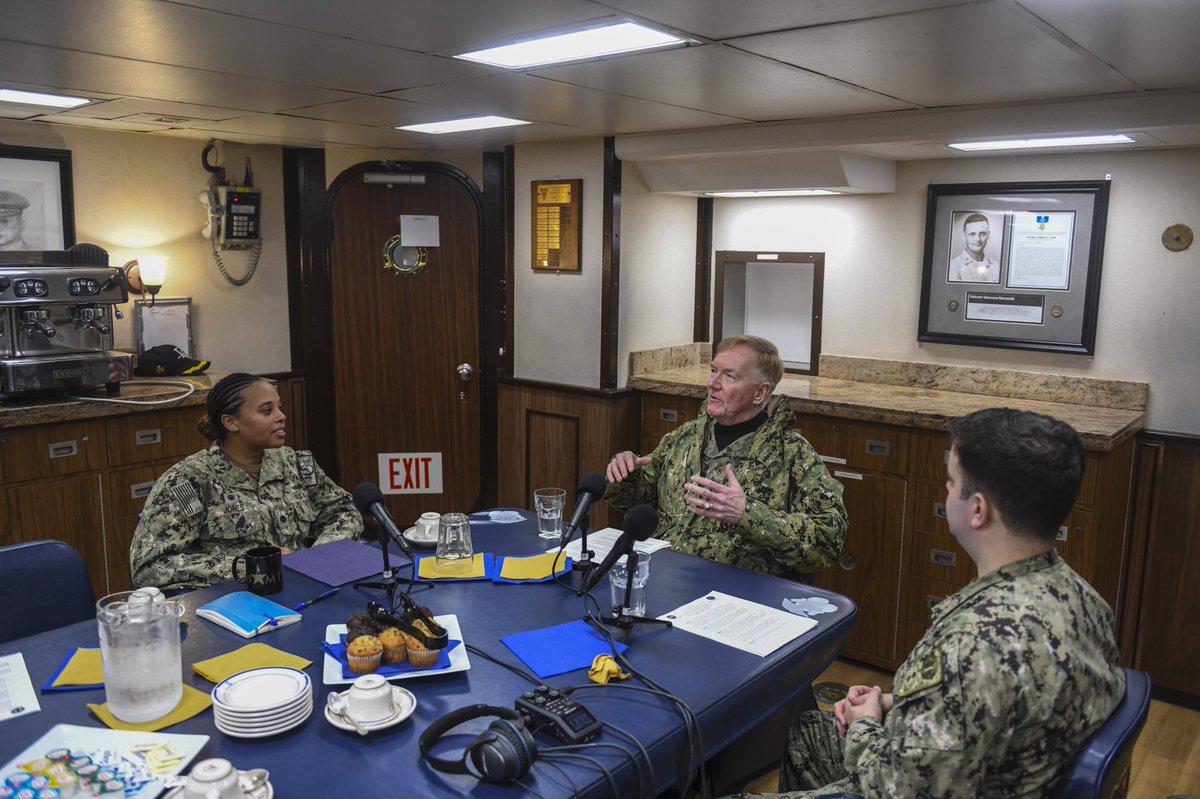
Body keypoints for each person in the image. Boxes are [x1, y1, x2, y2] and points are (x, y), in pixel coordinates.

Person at [733, 408, 1125, 799]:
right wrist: (898, 702)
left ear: (978, 509)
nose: (946, 491)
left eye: (951, 482)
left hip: (915, 784)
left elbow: (895, 789)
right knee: (809, 733)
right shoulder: (1083, 598)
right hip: (994, 764)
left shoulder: (975, 646)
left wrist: (865, 723)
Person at [606, 335, 847, 579]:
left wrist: (747, 514)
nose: (712, 383)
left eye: (729, 376)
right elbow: (640, 501)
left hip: (735, 591)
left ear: (760, 393)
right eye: (713, 371)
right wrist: (627, 475)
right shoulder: (685, 437)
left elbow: (827, 541)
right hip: (664, 575)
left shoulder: (792, 454)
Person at [131, 372, 362, 591]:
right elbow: (149, 567)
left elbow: (344, 512)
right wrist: (250, 567)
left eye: (279, 407)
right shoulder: (190, 480)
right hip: (231, 600)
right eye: (266, 411)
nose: (281, 417)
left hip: (301, 589)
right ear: (231, 422)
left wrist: (315, 558)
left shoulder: (295, 464)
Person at [948, 212, 1000, 283]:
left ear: (988, 235)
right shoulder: (953, 267)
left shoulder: (996, 266)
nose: (978, 239)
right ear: (964, 236)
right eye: (972, 234)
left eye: (982, 234)